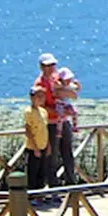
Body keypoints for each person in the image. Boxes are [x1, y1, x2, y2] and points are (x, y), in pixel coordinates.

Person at [33, 52, 75, 187]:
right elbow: (41, 105)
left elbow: (73, 91)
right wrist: (57, 111)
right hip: (50, 123)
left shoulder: (58, 77)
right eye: (47, 65)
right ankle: (53, 186)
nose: (51, 68)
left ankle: (71, 184)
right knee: (52, 155)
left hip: (63, 121)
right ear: (41, 67)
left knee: (67, 152)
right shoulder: (39, 83)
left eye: (52, 65)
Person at [23, 87, 52, 207]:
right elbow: (28, 130)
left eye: (42, 96)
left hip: (44, 144)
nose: (40, 99)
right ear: (32, 98)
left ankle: (40, 195)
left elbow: (46, 129)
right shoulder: (28, 111)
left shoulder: (44, 111)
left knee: (42, 172)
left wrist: (49, 145)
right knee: (32, 173)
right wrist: (35, 148)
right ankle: (31, 197)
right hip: (33, 147)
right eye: (38, 96)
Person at [55, 67, 80, 133]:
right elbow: (55, 86)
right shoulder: (59, 85)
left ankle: (75, 126)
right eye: (66, 79)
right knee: (60, 116)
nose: (68, 81)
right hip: (60, 104)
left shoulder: (70, 85)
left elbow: (77, 89)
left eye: (69, 79)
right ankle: (59, 130)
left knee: (75, 112)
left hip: (67, 104)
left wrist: (78, 85)